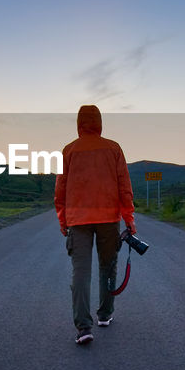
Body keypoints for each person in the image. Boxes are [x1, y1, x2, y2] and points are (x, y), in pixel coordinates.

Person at [54, 104, 136, 345]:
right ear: (100, 123)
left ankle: (83, 327)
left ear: (79, 123)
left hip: (78, 220)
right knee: (107, 267)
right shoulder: (113, 149)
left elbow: (60, 191)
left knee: (81, 271)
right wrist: (129, 219)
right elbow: (125, 188)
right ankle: (105, 314)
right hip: (109, 218)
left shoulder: (69, 151)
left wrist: (63, 220)